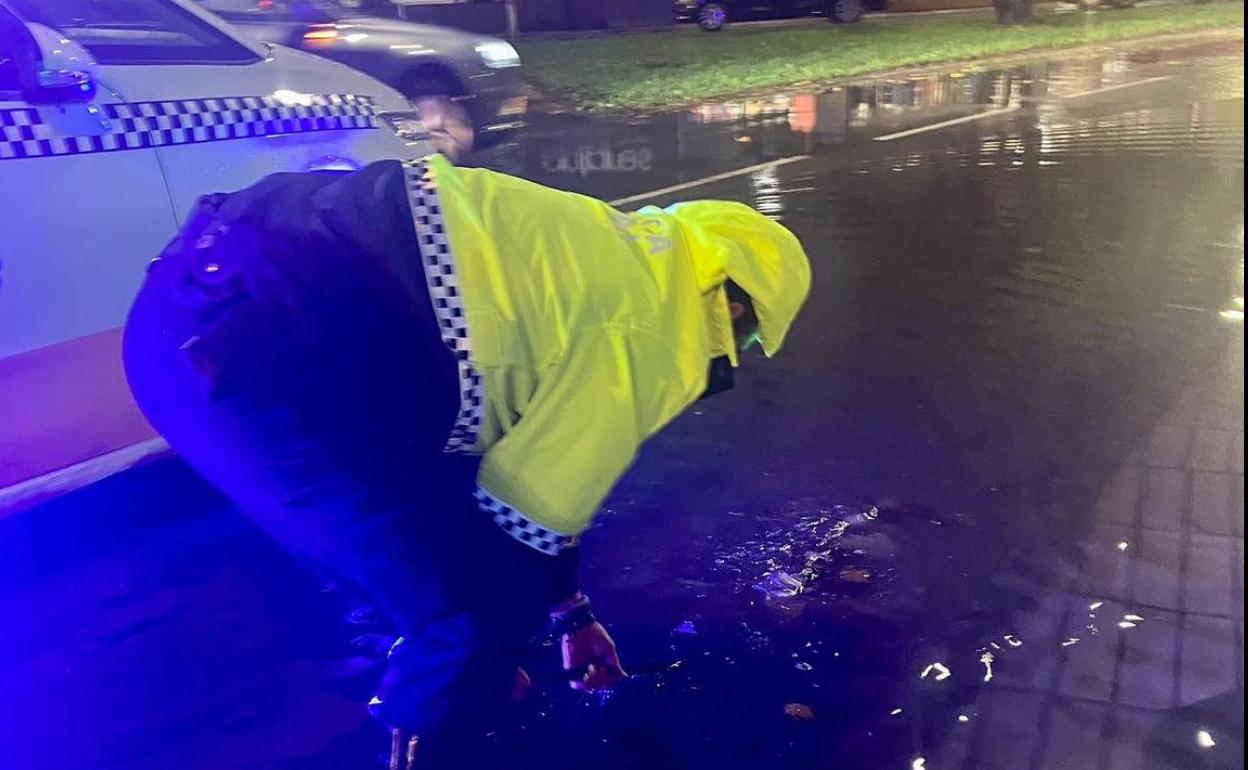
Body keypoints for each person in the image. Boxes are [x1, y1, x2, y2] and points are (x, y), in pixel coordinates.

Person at [122, 155, 811, 768]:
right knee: (459, 624)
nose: (737, 355)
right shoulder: (666, 328)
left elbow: (478, 468)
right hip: (240, 369)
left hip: (203, 306)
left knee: (445, 569)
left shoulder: (612, 250)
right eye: (749, 341)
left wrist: (566, 617)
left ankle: (432, 686)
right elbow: (529, 509)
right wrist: (489, 649)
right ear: (738, 305)